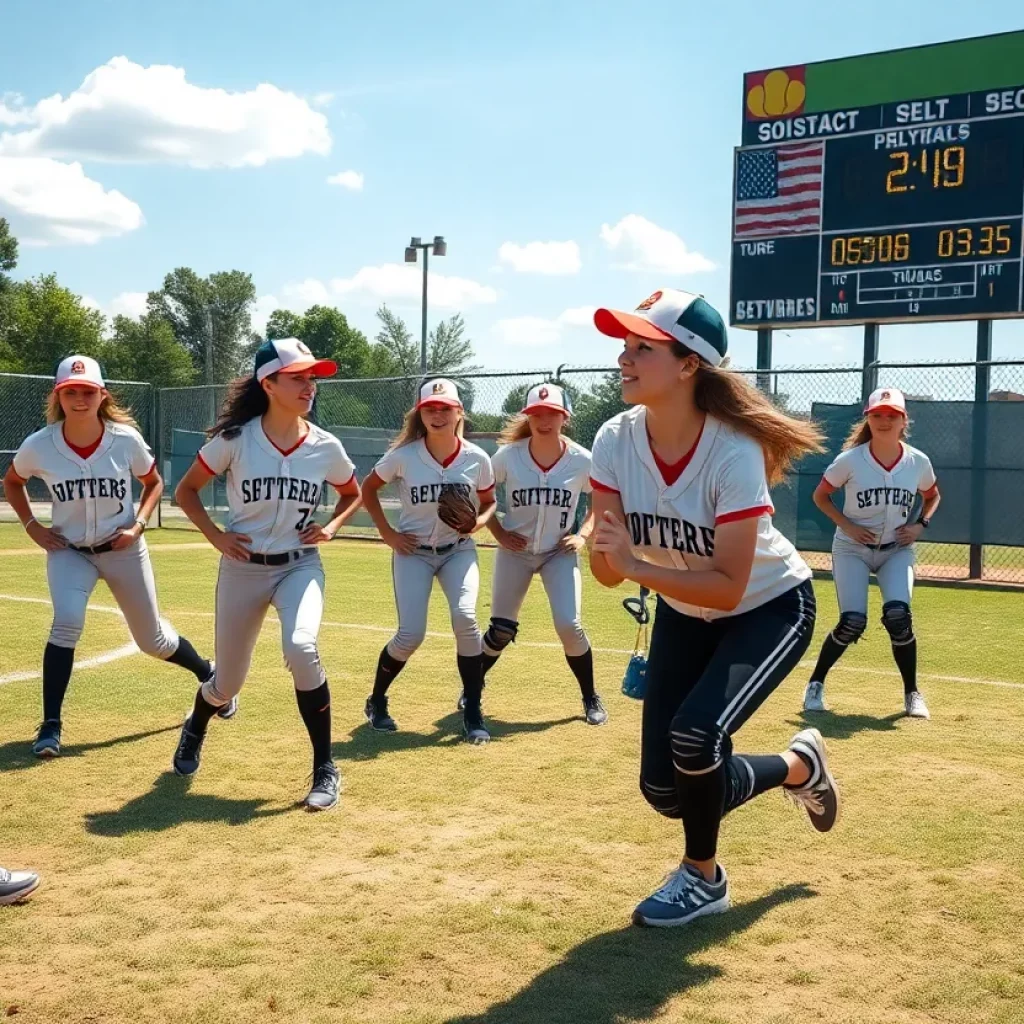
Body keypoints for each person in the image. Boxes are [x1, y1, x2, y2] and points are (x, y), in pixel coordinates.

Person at [587, 287, 841, 928]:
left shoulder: (732, 449)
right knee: (665, 789)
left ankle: (703, 878)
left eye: (643, 347)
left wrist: (635, 562)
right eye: (626, 345)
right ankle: (797, 766)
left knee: (695, 736)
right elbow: (607, 574)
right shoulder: (614, 439)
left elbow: (729, 584)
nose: (625, 357)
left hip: (768, 607)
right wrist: (604, 549)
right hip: (681, 608)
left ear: (689, 364)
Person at [171, 338, 362, 811]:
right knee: (227, 684)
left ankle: (325, 768)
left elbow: (353, 493)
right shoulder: (235, 440)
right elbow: (186, 491)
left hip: (300, 565)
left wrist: (334, 524)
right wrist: (217, 537)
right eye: (298, 377)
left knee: (301, 646)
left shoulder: (324, 446)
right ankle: (196, 723)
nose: (309, 386)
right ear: (269, 383)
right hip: (242, 571)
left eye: (312, 378)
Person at [2, 355, 225, 759]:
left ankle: (208, 673)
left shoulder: (124, 439)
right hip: (71, 551)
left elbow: (153, 481)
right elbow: (13, 482)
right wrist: (32, 526)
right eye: (71, 391)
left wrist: (139, 525)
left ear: (101, 394)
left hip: (123, 549)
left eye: (88, 391)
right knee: (67, 621)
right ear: (58, 395)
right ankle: (50, 725)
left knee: (153, 640)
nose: (80, 399)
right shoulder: (40, 444)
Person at [361, 378, 496, 744]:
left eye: (445, 408)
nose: (437, 414)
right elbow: (368, 488)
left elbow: (489, 500)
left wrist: (479, 523)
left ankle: (472, 710)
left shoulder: (476, 457)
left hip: (458, 550)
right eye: (429, 409)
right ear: (420, 414)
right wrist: (387, 533)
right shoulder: (404, 456)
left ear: (459, 413)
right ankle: (376, 700)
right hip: (414, 553)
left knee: (466, 618)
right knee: (410, 635)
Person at [803, 387, 940, 719]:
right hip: (852, 549)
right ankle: (815, 684)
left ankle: (912, 694)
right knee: (852, 622)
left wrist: (920, 524)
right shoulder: (850, 460)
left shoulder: (917, 461)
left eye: (891, 416)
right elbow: (820, 497)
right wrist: (846, 526)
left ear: (903, 421)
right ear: (868, 418)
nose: (884, 421)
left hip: (897, 551)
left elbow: (932, 495)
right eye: (877, 415)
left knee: (898, 618)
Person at [474, 382, 605, 724]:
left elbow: (600, 501)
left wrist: (583, 535)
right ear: (527, 418)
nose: (544, 420)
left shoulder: (581, 459)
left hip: (558, 552)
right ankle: (473, 685)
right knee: (501, 629)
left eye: (552, 414)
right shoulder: (509, 456)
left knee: (569, 624)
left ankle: (590, 697)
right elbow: (482, 496)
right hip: (515, 552)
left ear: (565, 417)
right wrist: (499, 532)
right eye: (536, 414)